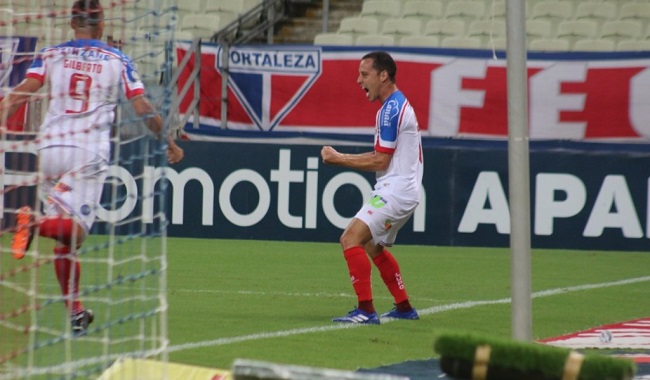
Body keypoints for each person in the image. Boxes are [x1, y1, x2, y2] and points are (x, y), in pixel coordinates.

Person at [0, 0, 184, 336]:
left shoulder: (51, 53)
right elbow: (141, 105)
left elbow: (24, 91)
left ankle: (76, 313)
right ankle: (34, 222)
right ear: (101, 26)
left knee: (66, 242)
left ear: (72, 24)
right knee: (77, 231)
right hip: (87, 151)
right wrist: (167, 141)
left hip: (50, 148)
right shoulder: (118, 58)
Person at [321, 51, 423, 325]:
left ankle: (366, 310)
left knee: (349, 239)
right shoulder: (397, 105)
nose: (358, 80)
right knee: (371, 246)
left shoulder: (390, 110)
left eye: (364, 74)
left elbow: (381, 159)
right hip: (404, 190)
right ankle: (404, 307)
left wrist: (338, 158)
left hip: (395, 192)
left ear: (383, 75)